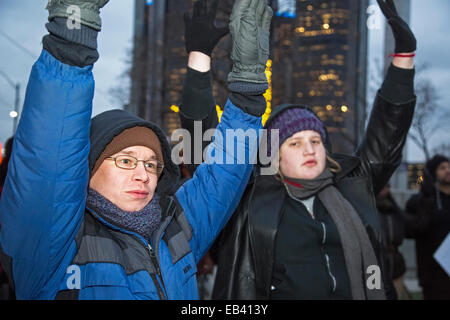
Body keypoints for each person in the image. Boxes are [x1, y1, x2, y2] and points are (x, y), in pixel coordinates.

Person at [0, 0, 273, 300]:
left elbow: (224, 174)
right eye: (126, 160)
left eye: (152, 164)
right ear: (88, 170)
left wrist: (248, 84)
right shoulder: (55, 244)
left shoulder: (175, 231)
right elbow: (48, 156)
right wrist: (71, 36)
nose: (143, 174)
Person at [180, 0, 417, 299]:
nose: (309, 149)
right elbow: (203, 149)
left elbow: (387, 136)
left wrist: (404, 58)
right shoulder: (246, 201)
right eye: (294, 142)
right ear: (273, 156)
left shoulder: (351, 188)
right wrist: (199, 58)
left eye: (315, 141)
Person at [405, 155, 450, 300]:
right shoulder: (420, 201)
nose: (448, 170)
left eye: (449, 166)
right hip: (433, 275)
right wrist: (426, 202)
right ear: (432, 173)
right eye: (442, 168)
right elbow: (410, 231)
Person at [376, 184, 409, 299]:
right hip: (374, 265)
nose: (384, 189)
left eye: (387, 186)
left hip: (396, 266)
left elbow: (410, 226)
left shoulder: (393, 209)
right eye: (382, 185)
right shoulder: (367, 208)